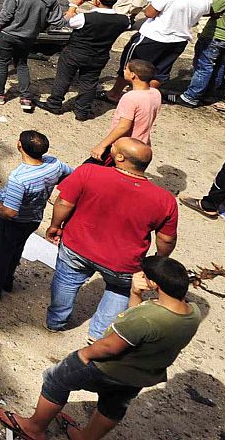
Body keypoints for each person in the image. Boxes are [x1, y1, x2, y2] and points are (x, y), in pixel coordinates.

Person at [0, 254, 200, 440]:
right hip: (141, 375)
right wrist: (135, 293)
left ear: (154, 283)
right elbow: (139, 324)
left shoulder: (148, 317)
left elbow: (111, 346)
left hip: (109, 368)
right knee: (113, 406)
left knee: (56, 379)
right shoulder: (192, 312)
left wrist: (84, 354)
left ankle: (34, 428)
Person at [44, 138, 178, 338]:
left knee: (67, 280)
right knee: (120, 291)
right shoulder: (165, 200)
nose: (110, 147)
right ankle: (98, 335)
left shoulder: (89, 172)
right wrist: (158, 261)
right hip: (124, 263)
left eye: (114, 147)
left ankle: (55, 321)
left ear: (121, 157)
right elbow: (166, 239)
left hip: (77, 247)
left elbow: (64, 202)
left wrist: (55, 226)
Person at [0, 130, 73, 301]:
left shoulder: (19, 179)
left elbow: (11, 211)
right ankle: (6, 279)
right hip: (33, 218)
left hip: (11, 222)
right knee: (15, 249)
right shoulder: (54, 164)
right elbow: (70, 175)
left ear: (19, 145)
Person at [44, 0, 130, 120]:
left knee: (64, 78)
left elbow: (67, 22)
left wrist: (74, 6)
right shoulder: (124, 20)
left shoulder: (85, 18)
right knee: (89, 83)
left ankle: (54, 104)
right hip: (99, 55)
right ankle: (82, 111)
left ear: (97, 1)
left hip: (75, 53)